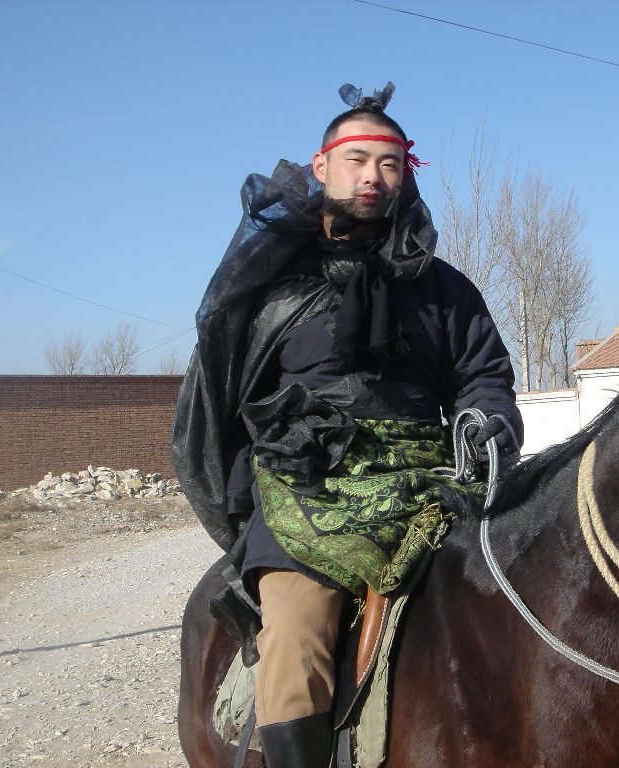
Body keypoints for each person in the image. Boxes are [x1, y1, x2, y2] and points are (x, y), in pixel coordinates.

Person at [172, 82, 522, 768]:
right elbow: (225, 397)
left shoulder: (445, 288)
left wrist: (486, 418)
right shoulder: (268, 286)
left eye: (389, 163)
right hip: (307, 492)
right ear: (322, 166)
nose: (373, 176)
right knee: (299, 637)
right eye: (358, 158)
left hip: (429, 482)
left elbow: (484, 375)